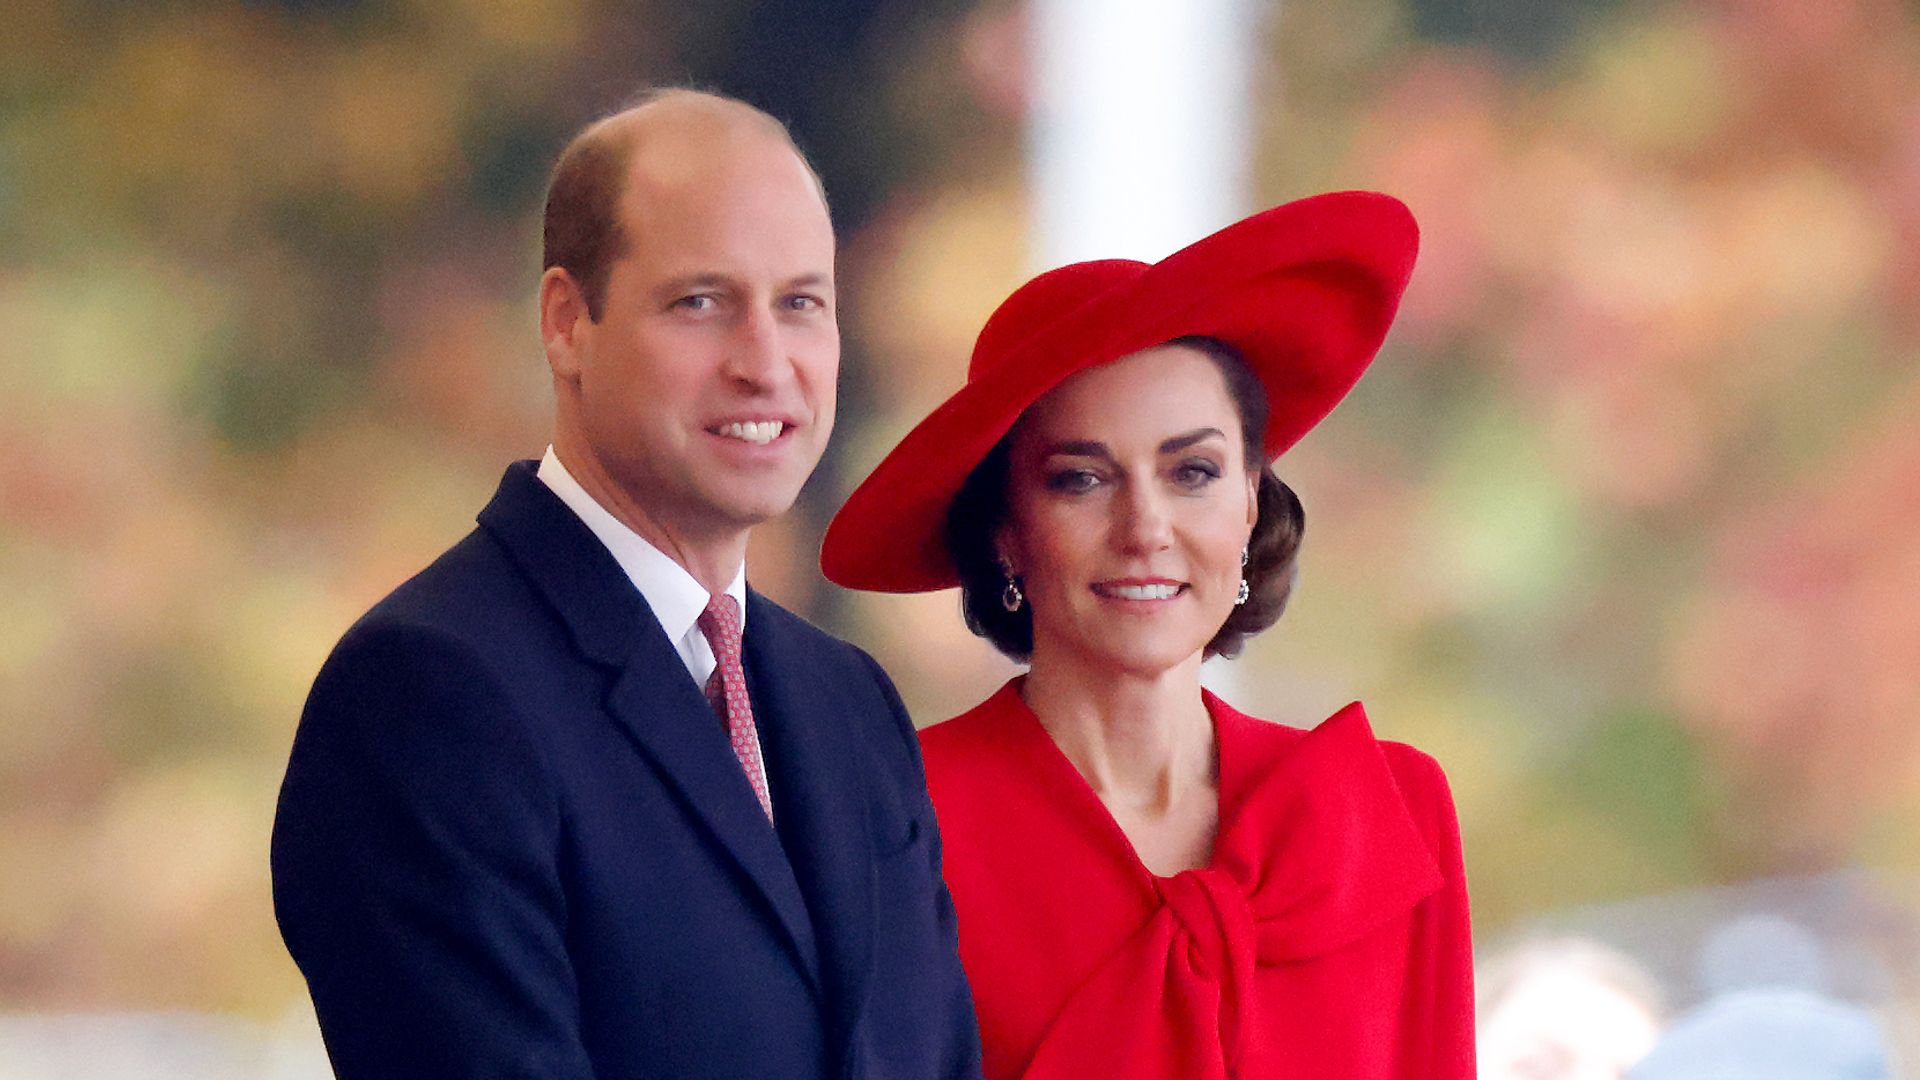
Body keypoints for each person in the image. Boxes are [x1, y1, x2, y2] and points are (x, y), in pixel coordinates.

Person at [271, 89, 982, 1080]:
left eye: (800, 304)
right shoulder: (429, 694)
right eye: (702, 302)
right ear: (567, 322)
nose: (766, 363)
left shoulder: (848, 703)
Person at [821, 192, 1474, 1079]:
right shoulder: (889, 826)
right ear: (1006, 529)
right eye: (1081, 479)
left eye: (1193, 472)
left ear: (1250, 502)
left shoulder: (1386, 815)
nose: (1146, 527)